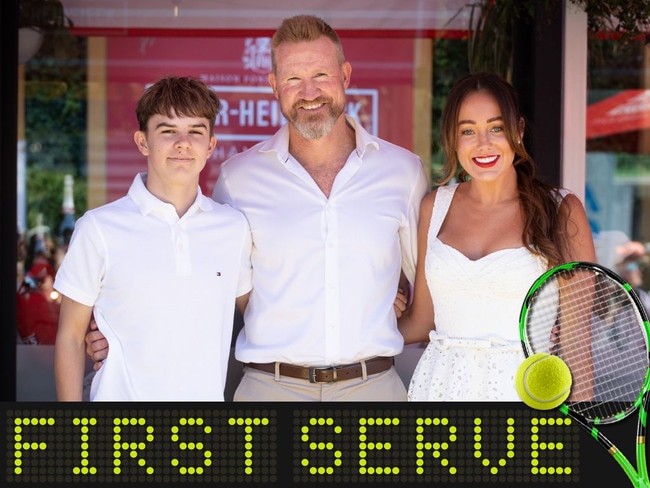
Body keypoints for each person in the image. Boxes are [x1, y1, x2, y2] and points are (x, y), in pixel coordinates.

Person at [86, 14, 429, 401]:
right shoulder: (238, 179)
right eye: (294, 79)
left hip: (374, 388)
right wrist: (117, 328)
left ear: (345, 76)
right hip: (269, 389)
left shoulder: (404, 172)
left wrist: (386, 304)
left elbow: (436, 288)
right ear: (274, 86)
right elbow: (199, 279)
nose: (309, 91)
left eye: (321, 75)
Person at [397, 72, 596, 402]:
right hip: (438, 391)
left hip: (527, 396)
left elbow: (576, 344)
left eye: (496, 127)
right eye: (468, 131)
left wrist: (583, 440)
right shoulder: (435, 207)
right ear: (452, 139)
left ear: (518, 130)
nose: (483, 143)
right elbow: (421, 322)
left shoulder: (561, 210)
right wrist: (375, 316)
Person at [54, 76, 252, 401]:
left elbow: (261, 315)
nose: (183, 143)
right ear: (143, 142)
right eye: (168, 130)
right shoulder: (98, 228)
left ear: (210, 146)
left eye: (196, 132)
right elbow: (72, 338)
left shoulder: (233, 228)